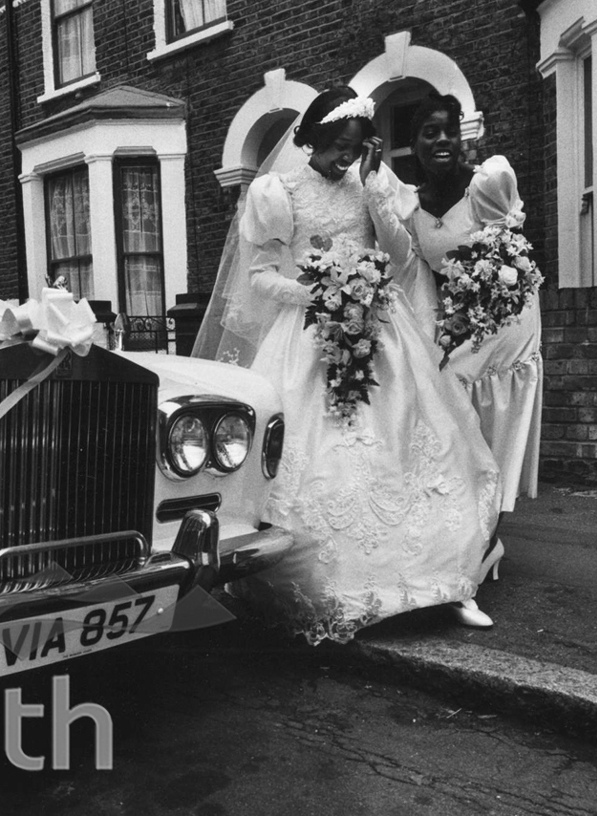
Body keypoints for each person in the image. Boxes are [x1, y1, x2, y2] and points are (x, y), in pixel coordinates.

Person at [196, 86, 503, 641]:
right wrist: (322, 294)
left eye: (355, 146)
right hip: (311, 333)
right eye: (339, 145)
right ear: (311, 138)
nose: (345, 155)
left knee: (415, 447)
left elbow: (400, 255)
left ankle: (446, 582)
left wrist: (373, 184)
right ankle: (346, 585)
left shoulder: (369, 184)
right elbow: (261, 278)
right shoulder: (276, 191)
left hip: (383, 329)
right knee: (326, 458)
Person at [363, 93, 543, 518]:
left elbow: (510, 255)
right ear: (415, 142)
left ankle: (491, 520)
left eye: (450, 131)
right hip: (455, 318)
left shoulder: (484, 186)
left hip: (503, 317)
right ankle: (465, 521)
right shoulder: (410, 203)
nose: (442, 140)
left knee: (461, 400)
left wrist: (473, 313)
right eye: (430, 133)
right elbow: (410, 266)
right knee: (435, 396)